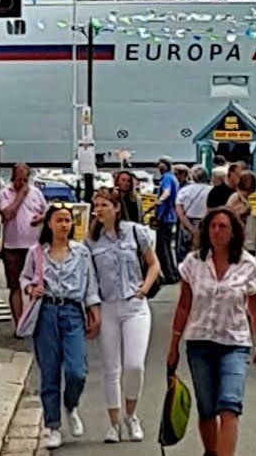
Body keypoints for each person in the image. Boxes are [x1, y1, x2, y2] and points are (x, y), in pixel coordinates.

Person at [167, 209, 256, 456]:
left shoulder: (246, 264)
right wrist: (173, 347)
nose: (217, 232)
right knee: (207, 408)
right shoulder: (194, 263)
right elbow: (184, 305)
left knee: (230, 406)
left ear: (233, 232)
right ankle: (211, 452)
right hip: (199, 342)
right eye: (213, 226)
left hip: (234, 343)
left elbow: (255, 308)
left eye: (223, 227)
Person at [21, 205, 102, 450]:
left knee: (77, 369)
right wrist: (29, 288)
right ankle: (53, 425)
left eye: (68, 220)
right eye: (59, 220)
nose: (64, 225)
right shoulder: (36, 253)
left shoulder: (81, 252)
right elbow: (25, 278)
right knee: (49, 371)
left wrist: (94, 310)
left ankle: (71, 404)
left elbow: (90, 283)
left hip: (72, 311)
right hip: (46, 312)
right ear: (49, 224)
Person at [85, 189, 161, 443]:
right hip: (107, 306)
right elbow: (90, 276)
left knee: (134, 365)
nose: (100, 209)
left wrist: (144, 288)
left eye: (105, 204)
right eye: (97, 205)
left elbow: (153, 263)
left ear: (116, 208)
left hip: (134, 305)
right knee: (110, 368)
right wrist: (92, 307)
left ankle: (131, 414)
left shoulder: (135, 232)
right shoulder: (91, 240)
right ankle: (114, 422)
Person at [0, 163, 47, 333]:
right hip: (12, 246)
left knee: (37, 284)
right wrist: (20, 195)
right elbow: (7, 214)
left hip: (33, 247)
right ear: (13, 177)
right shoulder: (5, 193)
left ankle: (33, 321)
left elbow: (45, 213)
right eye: (19, 179)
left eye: (25, 180)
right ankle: (19, 324)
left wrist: (40, 219)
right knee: (15, 286)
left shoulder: (36, 193)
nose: (22, 183)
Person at [176, 165, 212, 262]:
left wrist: (192, 230)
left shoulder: (183, 191)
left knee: (184, 257)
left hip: (186, 226)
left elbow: (180, 214)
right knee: (204, 256)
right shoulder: (212, 191)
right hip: (205, 225)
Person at [153, 156, 181, 284]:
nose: (159, 166)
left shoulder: (166, 178)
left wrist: (160, 200)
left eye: (161, 164)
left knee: (162, 248)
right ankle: (173, 273)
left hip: (164, 217)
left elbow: (167, 192)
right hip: (171, 217)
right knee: (167, 248)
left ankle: (169, 275)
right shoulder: (173, 178)